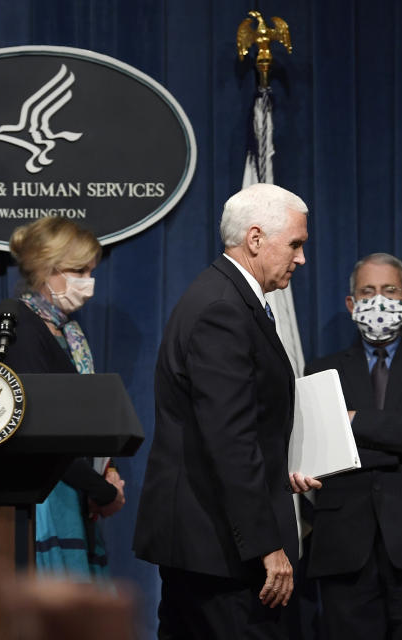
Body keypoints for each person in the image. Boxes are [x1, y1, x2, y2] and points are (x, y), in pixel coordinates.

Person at [133, 183, 321, 639]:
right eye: (294, 244)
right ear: (255, 239)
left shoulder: (227, 297)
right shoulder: (224, 309)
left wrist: (282, 467)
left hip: (208, 545)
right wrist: (267, 546)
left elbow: (238, 427)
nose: (300, 259)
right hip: (221, 553)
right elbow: (229, 441)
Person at [304, 253, 402, 640]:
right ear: (351, 303)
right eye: (367, 291)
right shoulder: (320, 372)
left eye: (390, 290)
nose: (379, 300)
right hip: (344, 547)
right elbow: (322, 448)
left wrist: (352, 419)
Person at [7, 216, 126, 579]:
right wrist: (101, 490)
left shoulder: (68, 330)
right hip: (45, 501)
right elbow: (38, 431)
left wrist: (110, 474)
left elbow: (86, 417)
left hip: (76, 494)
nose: (87, 283)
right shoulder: (21, 326)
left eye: (91, 271)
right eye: (79, 270)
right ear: (47, 268)